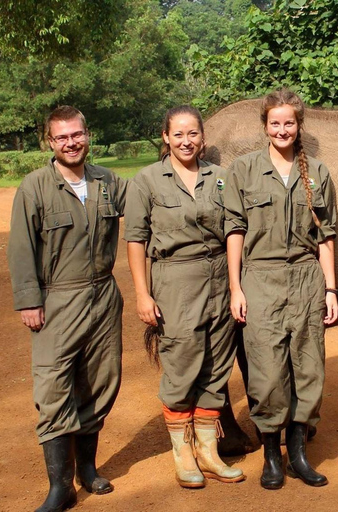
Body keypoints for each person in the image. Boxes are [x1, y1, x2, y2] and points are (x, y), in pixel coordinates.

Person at [7, 106, 125, 512]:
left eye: (76, 135)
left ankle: (87, 470)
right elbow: (22, 247)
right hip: (57, 298)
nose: (71, 143)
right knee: (54, 388)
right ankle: (61, 486)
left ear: (87, 135)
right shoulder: (35, 186)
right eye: (61, 138)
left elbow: (148, 202)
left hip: (104, 296)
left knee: (100, 381)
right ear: (50, 142)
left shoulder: (107, 180)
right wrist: (29, 300)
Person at [223, 88, 338, 490]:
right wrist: (236, 287)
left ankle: (299, 455)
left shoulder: (318, 173)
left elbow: (326, 236)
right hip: (261, 280)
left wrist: (330, 289)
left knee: (309, 369)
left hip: (307, 279)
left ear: (299, 125)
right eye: (275, 123)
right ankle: (272, 456)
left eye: (289, 122)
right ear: (265, 126)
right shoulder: (244, 171)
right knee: (267, 373)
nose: (282, 129)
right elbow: (235, 230)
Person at [124, 105, 243, 489]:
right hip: (175, 278)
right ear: (165, 137)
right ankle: (183, 454)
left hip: (219, 274)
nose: (186, 141)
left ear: (203, 138)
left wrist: (235, 285)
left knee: (217, 362)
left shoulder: (221, 179)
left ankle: (209, 453)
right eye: (178, 134)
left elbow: (233, 231)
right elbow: (136, 240)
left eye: (192, 134)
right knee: (181, 361)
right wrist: (143, 293)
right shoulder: (146, 181)